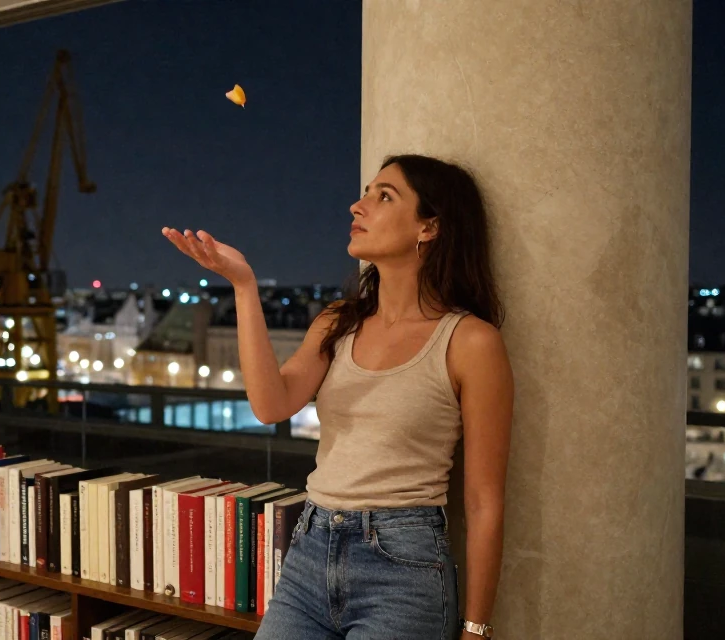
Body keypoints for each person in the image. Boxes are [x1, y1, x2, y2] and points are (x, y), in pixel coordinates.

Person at [162, 154, 513, 639]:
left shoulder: (470, 342)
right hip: (311, 549)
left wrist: (476, 628)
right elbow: (271, 404)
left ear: (429, 227)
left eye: (383, 196)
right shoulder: (338, 322)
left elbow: (483, 500)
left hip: (404, 569)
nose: (357, 205)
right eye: (366, 191)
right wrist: (243, 285)